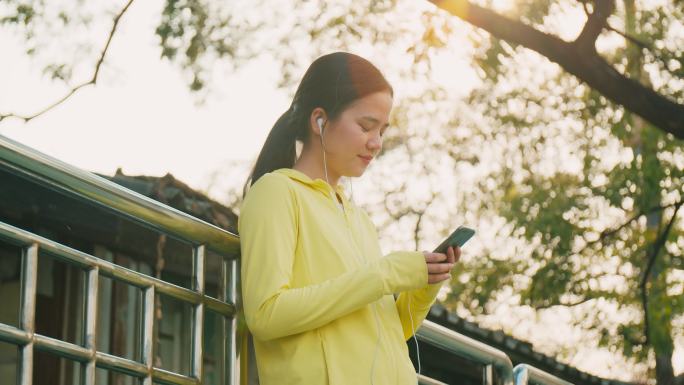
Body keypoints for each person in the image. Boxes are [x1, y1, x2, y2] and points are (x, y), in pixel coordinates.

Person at [238, 51, 461, 385]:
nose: (376, 143)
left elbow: (385, 331)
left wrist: (423, 287)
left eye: (382, 130)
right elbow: (266, 314)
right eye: (366, 126)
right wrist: (386, 274)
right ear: (319, 121)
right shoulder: (276, 193)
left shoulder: (359, 219)